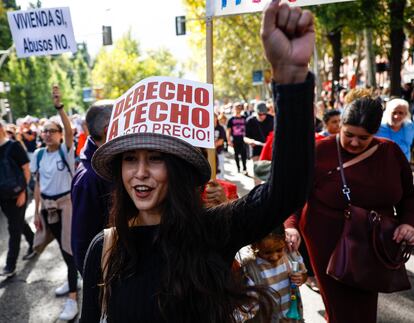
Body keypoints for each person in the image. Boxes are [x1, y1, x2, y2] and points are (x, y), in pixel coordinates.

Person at [80, 2, 315, 322]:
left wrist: (291, 81)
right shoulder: (105, 249)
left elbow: (286, 191)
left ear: (177, 170)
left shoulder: (212, 230)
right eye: (130, 159)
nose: (140, 173)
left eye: (156, 158)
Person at [300, 96, 414, 322]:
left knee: (365, 301)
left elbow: (409, 195)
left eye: (363, 138)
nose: (354, 143)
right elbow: (295, 195)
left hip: (373, 240)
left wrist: (408, 222)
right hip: (326, 238)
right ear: (340, 126)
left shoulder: (390, 152)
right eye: (348, 134)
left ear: (375, 132)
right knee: (339, 305)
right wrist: (291, 228)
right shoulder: (319, 151)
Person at [30, 86, 79, 321]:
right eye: (44, 131)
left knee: (69, 250)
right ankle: (74, 278)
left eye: (52, 131)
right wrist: (37, 211)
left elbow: (70, 130)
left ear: (60, 135)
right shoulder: (39, 155)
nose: (47, 134)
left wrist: (59, 107)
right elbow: (38, 184)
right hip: (47, 209)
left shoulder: (66, 151)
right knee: (61, 246)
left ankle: (73, 298)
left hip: (66, 205)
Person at [71, 100, 114, 275]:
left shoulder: (111, 161)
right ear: (108, 128)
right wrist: (95, 289)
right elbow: (82, 241)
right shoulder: (88, 179)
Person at [241, 228, 307, 322]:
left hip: (292, 318)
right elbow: (250, 306)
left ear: (285, 241)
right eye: (267, 252)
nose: (274, 257)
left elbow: (304, 275)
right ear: (255, 246)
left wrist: (301, 278)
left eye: (279, 250)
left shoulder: (291, 255)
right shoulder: (251, 269)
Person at [0, 120, 35, 278]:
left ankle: (10, 265)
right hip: (3, 197)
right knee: (18, 222)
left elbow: (26, 170)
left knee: (13, 228)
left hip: (18, 194)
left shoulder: (13, 146)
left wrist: (22, 192)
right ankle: (34, 242)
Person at [227, 102, 248, 174]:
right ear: (234, 109)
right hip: (235, 140)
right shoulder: (231, 119)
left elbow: (248, 129)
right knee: (236, 154)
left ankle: (244, 168)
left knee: (244, 154)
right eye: (237, 107)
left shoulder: (244, 118)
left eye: (239, 107)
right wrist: (229, 141)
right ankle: (238, 168)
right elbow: (228, 131)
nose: (238, 109)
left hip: (244, 140)